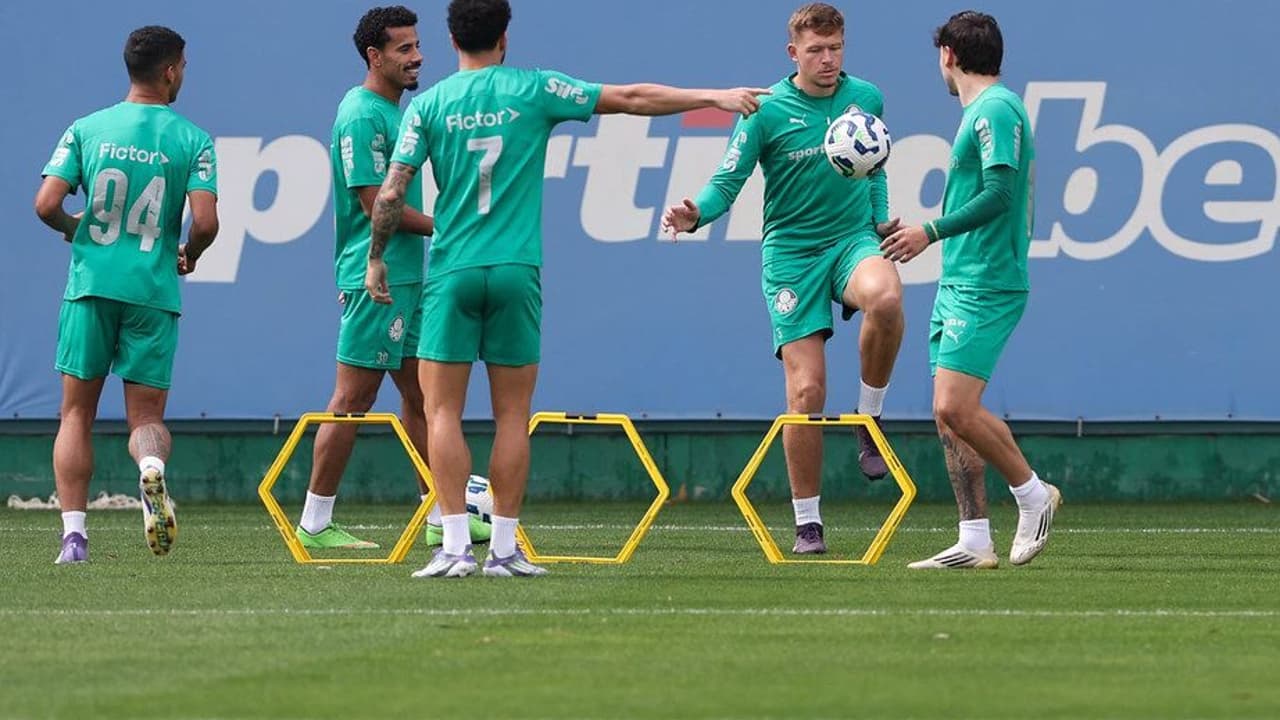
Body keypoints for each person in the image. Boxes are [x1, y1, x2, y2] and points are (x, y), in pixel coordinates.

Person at [367, 0, 768, 577]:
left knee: (442, 412)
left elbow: (389, 194)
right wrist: (715, 97)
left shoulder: (427, 105)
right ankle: (503, 551)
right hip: (515, 270)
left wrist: (376, 259)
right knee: (512, 416)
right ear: (504, 36)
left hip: (453, 270)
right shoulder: (535, 88)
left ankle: (454, 548)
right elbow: (630, 98)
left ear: (452, 38)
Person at [661, 3, 904, 555]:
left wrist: (880, 219)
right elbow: (727, 182)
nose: (827, 59)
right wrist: (694, 213)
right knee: (807, 390)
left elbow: (876, 167)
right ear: (793, 53)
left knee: (887, 298)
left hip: (853, 241)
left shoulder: (866, 97)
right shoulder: (766, 111)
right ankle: (808, 523)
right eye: (816, 50)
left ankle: (870, 419)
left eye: (835, 47)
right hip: (792, 257)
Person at [297, 5, 490, 551]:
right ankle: (314, 522)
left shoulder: (394, 112)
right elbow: (372, 203)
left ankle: (441, 513)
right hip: (376, 280)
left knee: (423, 394)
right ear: (373, 57)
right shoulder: (361, 114)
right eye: (404, 49)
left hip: (408, 276)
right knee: (350, 400)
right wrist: (450, 227)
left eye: (418, 45)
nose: (418, 57)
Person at [878, 11, 1061, 569]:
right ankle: (974, 539)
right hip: (960, 277)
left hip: (988, 280)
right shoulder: (980, 112)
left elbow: (1000, 193)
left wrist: (929, 231)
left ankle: (1033, 494)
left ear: (949, 56)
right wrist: (918, 231)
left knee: (954, 404)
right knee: (948, 416)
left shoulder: (997, 109)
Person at [34, 26, 219, 563]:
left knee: (75, 415)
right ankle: (150, 469)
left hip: (91, 285)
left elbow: (46, 204)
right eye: (183, 66)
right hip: (151, 290)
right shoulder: (192, 139)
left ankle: (73, 537)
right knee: (146, 420)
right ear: (170, 71)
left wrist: (79, 230)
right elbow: (205, 221)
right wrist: (191, 252)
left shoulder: (87, 129)